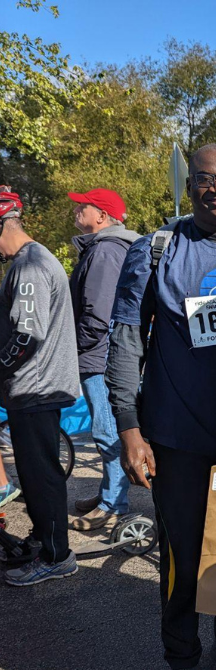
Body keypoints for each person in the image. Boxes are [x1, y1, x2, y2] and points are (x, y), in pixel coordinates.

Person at [105, 144, 216, 670]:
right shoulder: (155, 251)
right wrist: (128, 426)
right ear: (191, 185)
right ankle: (181, 659)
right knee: (180, 555)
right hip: (175, 437)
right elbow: (126, 339)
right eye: (207, 178)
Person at [0, 187, 80, 586]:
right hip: (37, 386)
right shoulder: (34, 259)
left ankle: (56, 555)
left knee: (40, 474)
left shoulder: (29, 265)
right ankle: (45, 538)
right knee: (37, 473)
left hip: (35, 387)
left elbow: (26, 335)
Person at [68, 187, 140, 530]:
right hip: (98, 355)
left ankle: (114, 503)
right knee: (104, 429)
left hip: (99, 358)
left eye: (83, 205)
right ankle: (108, 492)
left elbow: (98, 314)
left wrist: (76, 348)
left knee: (107, 430)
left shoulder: (106, 251)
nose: (76, 210)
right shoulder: (103, 249)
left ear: (102, 215)